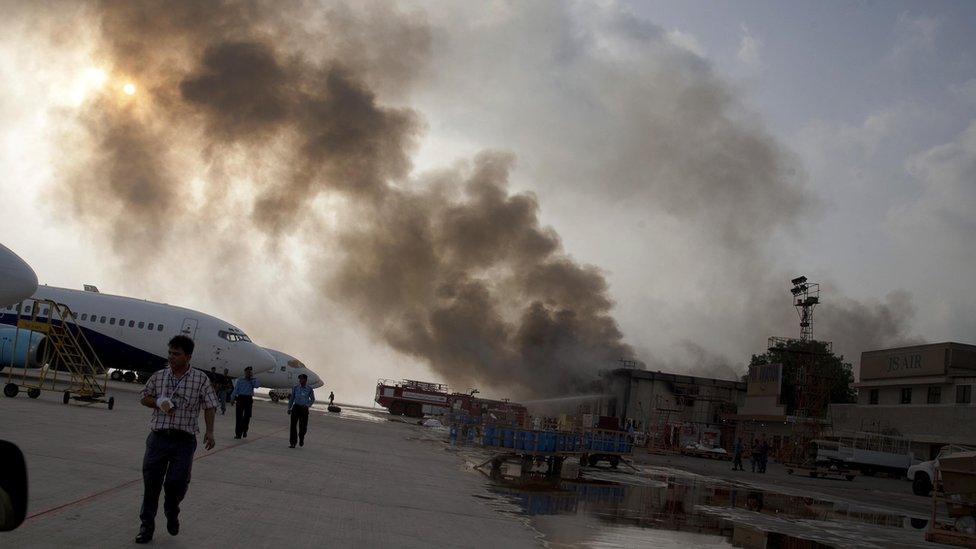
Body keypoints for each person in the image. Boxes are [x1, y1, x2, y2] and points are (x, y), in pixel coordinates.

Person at [135, 335, 218, 544]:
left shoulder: (200, 379)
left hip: (184, 440)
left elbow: (210, 405)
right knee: (151, 483)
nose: (171, 357)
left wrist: (210, 431)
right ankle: (147, 526)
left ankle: (172, 510)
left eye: (177, 354)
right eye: (170, 353)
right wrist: (158, 402)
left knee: (177, 483)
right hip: (158, 438)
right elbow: (144, 396)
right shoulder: (159, 376)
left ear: (188, 357)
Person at [287, 373, 315, 448]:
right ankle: (293, 443)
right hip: (296, 408)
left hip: (304, 409)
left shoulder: (309, 389)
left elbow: (312, 399)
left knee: (303, 427)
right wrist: (289, 408)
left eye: (302, 379)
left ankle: (301, 437)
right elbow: (292, 398)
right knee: (293, 426)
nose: (300, 380)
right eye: (299, 379)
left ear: (305, 380)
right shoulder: (295, 388)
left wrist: (307, 405)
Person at [231, 366, 259, 439]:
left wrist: (251, 379)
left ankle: (245, 430)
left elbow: (257, 386)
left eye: (250, 372)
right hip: (240, 398)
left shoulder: (254, 380)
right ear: (245, 372)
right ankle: (238, 434)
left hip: (248, 399)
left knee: (247, 416)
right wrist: (232, 398)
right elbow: (236, 389)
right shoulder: (240, 380)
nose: (248, 373)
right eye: (247, 372)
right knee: (239, 417)